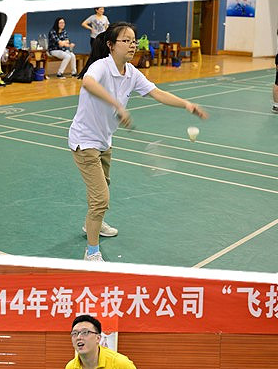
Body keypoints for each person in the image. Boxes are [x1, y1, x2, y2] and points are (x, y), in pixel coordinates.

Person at [68, 23, 208, 261]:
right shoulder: (101, 66)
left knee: (103, 188)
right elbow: (88, 83)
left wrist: (186, 104)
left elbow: (157, 93)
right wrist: (117, 105)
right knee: (101, 198)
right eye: (126, 41)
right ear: (111, 45)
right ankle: (91, 253)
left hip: (104, 140)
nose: (132, 45)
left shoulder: (131, 73)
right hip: (84, 141)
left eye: (134, 41)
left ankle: (92, 223)